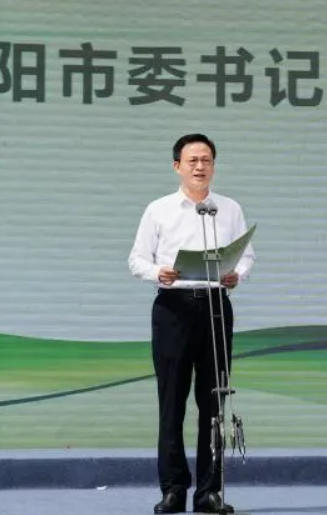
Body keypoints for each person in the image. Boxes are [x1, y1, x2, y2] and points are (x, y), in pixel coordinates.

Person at [128, 133, 255, 514]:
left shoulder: (229, 208)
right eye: (192, 161)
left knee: (213, 402)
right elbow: (136, 259)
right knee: (172, 402)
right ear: (177, 166)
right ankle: (173, 489)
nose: (200, 166)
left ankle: (209, 493)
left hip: (215, 306)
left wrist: (237, 274)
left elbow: (247, 255)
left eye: (206, 160)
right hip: (174, 308)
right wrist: (159, 272)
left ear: (214, 165)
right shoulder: (159, 209)